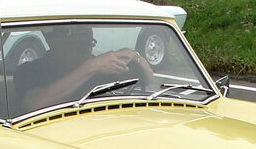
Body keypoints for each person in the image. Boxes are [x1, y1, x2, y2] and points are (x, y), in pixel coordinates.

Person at [13, 24, 154, 116]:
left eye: (89, 43)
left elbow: (147, 79)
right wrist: (90, 67)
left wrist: (134, 56)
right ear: (55, 44)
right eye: (78, 43)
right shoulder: (30, 70)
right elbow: (35, 103)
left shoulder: (99, 66)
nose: (86, 49)